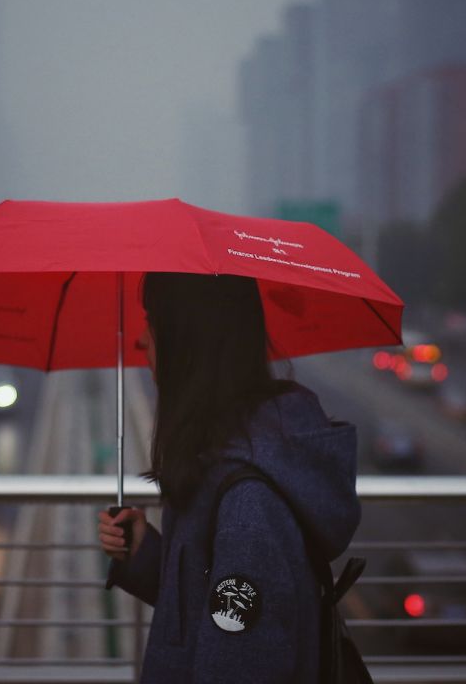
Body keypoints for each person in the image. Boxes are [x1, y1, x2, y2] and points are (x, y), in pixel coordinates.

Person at [97, 271, 362, 683]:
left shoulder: (246, 509)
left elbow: (241, 659)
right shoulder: (224, 458)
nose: (142, 340)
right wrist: (146, 553)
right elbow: (210, 615)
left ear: (190, 343)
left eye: (153, 322)